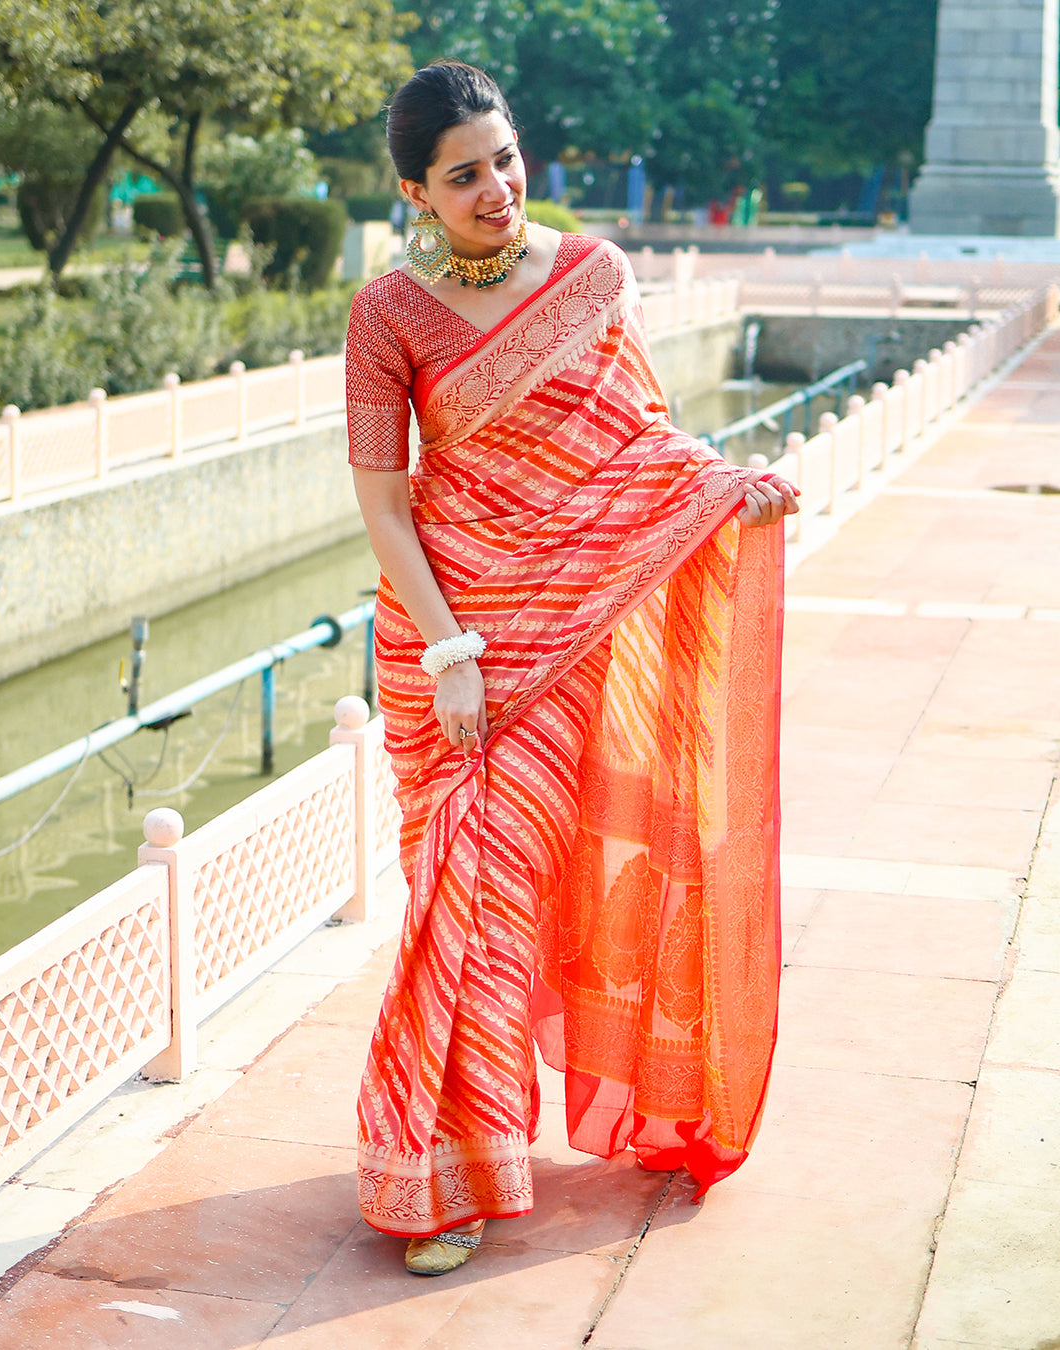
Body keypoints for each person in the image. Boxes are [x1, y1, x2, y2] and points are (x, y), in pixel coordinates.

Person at [345, 60, 799, 1276]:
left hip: (563, 632)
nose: (495, 187)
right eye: (462, 175)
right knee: (461, 899)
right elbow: (386, 508)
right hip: (446, 644)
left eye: (504, 158)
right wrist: (448, 651)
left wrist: (723, 491)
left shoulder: (594, 276)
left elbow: (639, 440)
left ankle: (465, 1158)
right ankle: (447, 1169)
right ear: (414, 192)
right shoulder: (386, 315)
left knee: (503, 894)